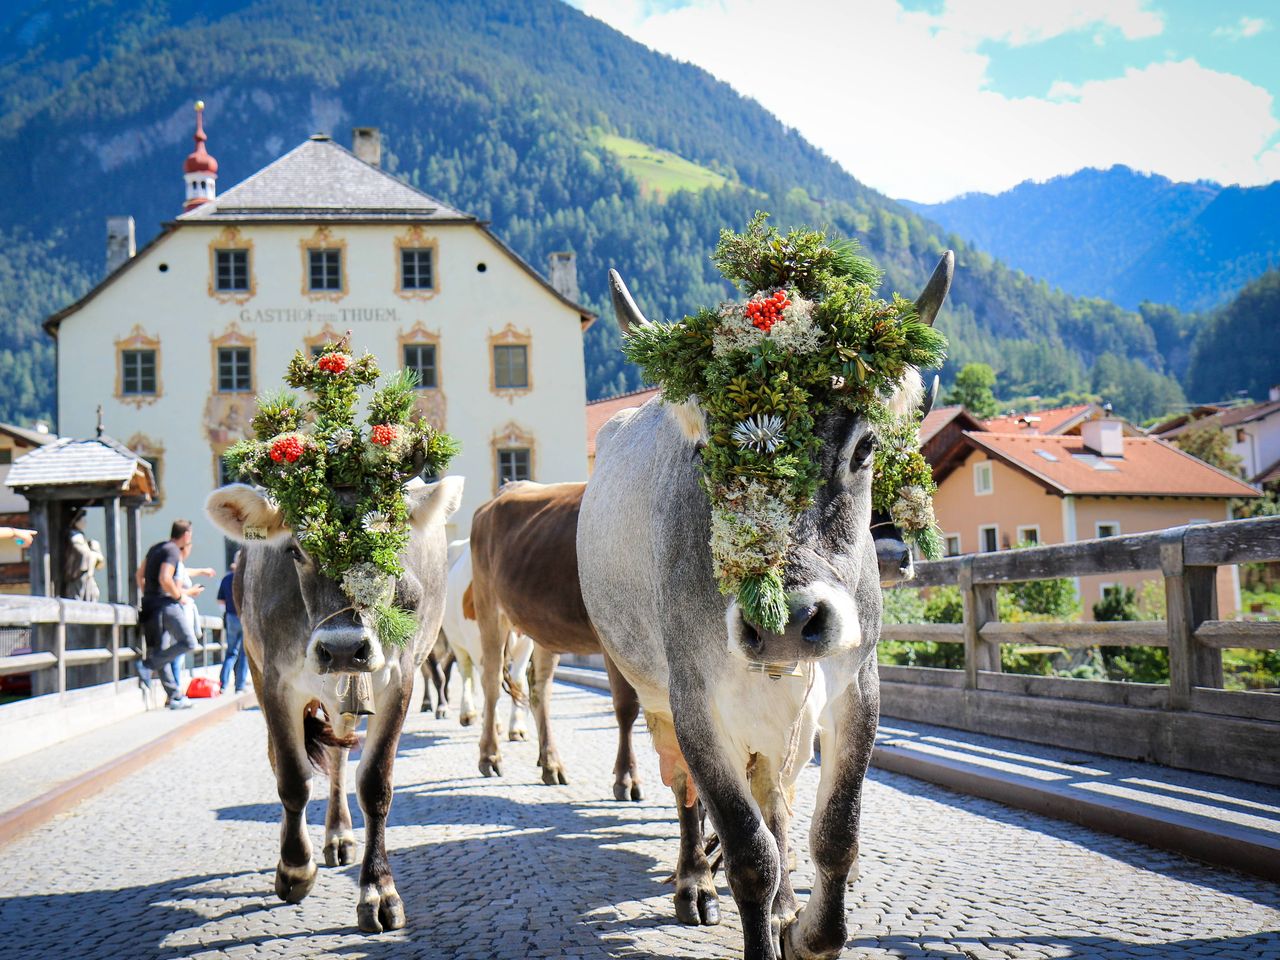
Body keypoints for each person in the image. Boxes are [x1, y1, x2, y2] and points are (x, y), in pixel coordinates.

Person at [134, 519, 203, 709]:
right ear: (186, 535)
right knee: (189, 641)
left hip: (150, 605)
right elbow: (166, 578)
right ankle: (147, 666)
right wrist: (179, 595)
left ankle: (174, 697)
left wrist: (149, 594)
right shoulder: (173, 550)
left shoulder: (156, 547)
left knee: (161, 651)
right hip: (166, 604)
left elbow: (139, 575)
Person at [217, 551, 248, 694]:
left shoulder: (226, 579)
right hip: (245, 617)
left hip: (230, 617)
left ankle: (222, 684)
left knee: (230, 652)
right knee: (244, 654)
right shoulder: (246, 578)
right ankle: (240, 686)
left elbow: (220, 601)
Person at [63, 510, 105, 602]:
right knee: (78, 597)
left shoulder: (80, 536)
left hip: (85, 575)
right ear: (76, 521)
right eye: (82, 520)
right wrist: (94, 553)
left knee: (93, 593)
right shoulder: (74, 536)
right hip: (78, 575)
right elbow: (82, 553)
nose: (85, 522)